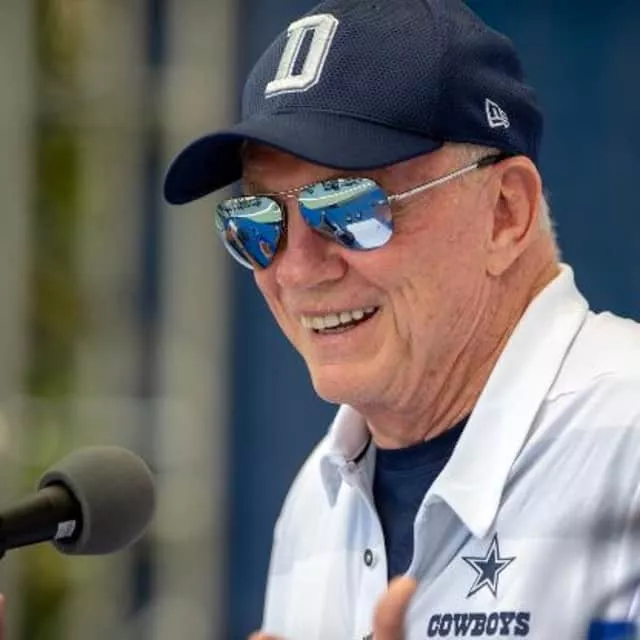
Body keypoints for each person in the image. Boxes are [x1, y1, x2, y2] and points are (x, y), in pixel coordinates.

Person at [164, 0, 640, 638]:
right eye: (256, 222)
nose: (296, 270)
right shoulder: (316, 504)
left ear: (506, 213)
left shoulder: (627, 440)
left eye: (348, 208)